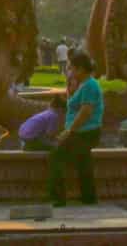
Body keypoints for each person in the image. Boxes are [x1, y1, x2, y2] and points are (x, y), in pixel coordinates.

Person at [48, 52, 102, 206]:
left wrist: (68, 131)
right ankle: (89, 198)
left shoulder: (90, 85)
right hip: (80, 132)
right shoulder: (83, 85)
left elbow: (85, 112)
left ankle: (59, 198)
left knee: (56, 156)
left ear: (81, 69)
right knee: (83, 162)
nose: (69, 71)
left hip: (85, 132)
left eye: (71, 68)